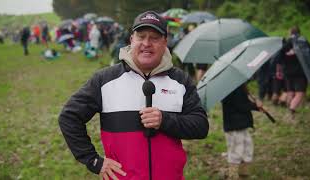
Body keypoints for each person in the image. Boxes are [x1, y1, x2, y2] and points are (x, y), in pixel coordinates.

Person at [59, 11, 209, 179]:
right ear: (132, 40)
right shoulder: (104, 79)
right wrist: (93, 160)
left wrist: (164, 120)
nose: (146, 43)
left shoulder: (181, 80)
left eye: (154, 37)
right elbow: (69, 117)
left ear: (165, 42)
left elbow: (201, 126)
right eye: (141, 36)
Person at [222, 84, 263, 179]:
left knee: (247, 147)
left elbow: (244, 102)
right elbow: (240, 105)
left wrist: (256, 106)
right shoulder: (231, 87)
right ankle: (232, 174)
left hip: (242, 124)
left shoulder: (240, 85)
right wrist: (255, 105)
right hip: (234, 125)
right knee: (237, 150)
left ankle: (243, 171)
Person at [280, 26, 310, 120]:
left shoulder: (285, 44)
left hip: (288, 73)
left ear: (290, 32)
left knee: (290, 92)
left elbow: (279, 56)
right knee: (300, 93)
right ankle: (291, 110)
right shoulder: (303, 42)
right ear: (299, 32)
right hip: (300, 73)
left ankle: (289, 111)